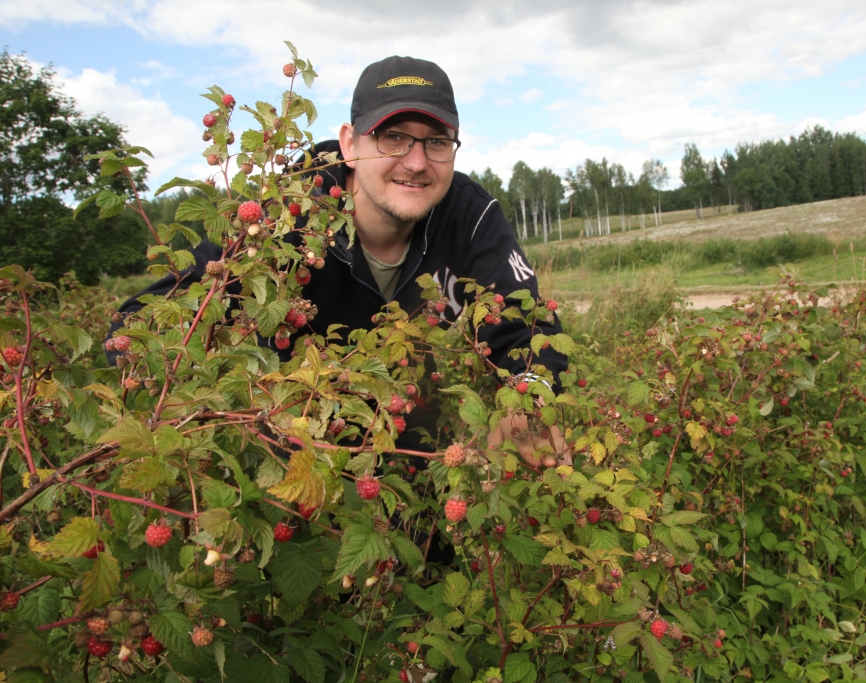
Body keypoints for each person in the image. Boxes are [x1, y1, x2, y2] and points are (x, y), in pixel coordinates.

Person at [109, 55, 568, 466]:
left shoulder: (469, 214)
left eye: (437, 142)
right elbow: (142, 323)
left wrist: (529, 399)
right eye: (392, 137)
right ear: (350, 144)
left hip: (413, 460)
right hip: (291, 464)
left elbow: (526, 324)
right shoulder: (283, 216)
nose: (416, 161)